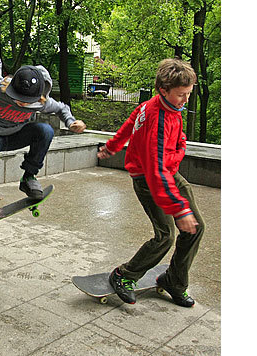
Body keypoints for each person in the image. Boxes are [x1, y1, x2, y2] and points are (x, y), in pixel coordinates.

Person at [97, 58, 205, 307]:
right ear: (163, 90)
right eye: (181, 95)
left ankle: (174, 281)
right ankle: (124, 275)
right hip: (148, 178)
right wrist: (180, 209)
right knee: (165, 236)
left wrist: (112, 147)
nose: (186, 100)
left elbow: (128, 125)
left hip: (168, 173)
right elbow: (156, 173)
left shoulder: (164, 106)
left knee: (196, 228)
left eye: (188, 94)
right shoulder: (156, 117)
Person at [0, 21, 87, 216]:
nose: (22, 104)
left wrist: (70, 121)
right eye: (18, 99)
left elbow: (62, 108)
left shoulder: (42, 101)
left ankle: (28, 177)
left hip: (19, 134)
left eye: (26, 102)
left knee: (45, 131)